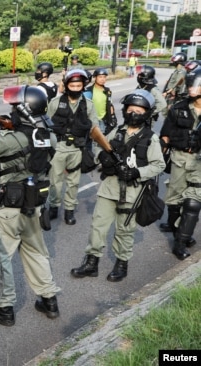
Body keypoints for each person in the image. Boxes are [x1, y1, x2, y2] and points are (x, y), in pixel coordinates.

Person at [0, 85, 61, 326]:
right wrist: (10, 125)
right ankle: (49, 300)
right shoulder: (48, 134)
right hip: (34, 204)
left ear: (26, 109)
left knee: (1, 257)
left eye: (16, 107)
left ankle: (4, 308)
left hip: (8, 208)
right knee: (36, 252)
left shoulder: (12, 138)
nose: (13, 110)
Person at [71, 90, 165, 282]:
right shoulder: (118, 131)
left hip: (132, 191)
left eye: (138, 111)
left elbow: (159, 165)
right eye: (130, 110)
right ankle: (91, 262)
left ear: (146, 113)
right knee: (98, 226)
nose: (134, 114)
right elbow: (99, 145)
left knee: (125, 230)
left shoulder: (150, 138)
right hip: (109, 188)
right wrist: (102, 157)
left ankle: (121, 263)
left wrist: (138, 172)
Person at [47, 69, 103, 225]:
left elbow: (95, 129)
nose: (76, 88)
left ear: (83, 86)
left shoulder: (88, 105)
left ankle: (69, 210)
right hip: (58, 147)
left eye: (79, 85)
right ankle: (53, 206)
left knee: (73, 182)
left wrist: (99, 152)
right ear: (66, 85)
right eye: (73, 85)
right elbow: (46, 127)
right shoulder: (55, 103)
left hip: (77, 149)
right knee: (54, 181)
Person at [158, 68, 201, 260]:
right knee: (174, 198)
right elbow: (166, 134)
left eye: (196, 85)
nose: (192, 88)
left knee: (193, 202)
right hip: (180, 158)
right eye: (191, 84)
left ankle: (180, 242)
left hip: (199, 161)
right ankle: (177, 229)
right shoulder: (179, 108)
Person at [83, 68, 117, 135]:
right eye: (100, 77)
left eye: (104, 77)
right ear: (95, 77)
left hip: (103, 121)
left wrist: (113, 117)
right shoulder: (88, 91)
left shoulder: (107, 91)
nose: (103, 79)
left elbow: (110, 105)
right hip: (91, 120)